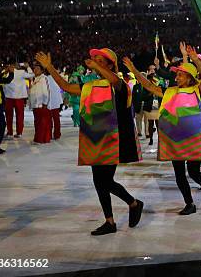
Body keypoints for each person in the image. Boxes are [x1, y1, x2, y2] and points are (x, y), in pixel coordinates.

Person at [35, 48, 144, 236]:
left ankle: (133, 203)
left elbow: (115, 81)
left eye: (101, 61)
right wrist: (49, 67)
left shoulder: (118, 84)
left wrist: (97, 67)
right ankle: (110, 221)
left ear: (111, 65)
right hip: (94, 139)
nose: (95, 63)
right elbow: (66, 87)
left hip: (113, 140)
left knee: (106, 181)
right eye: (94, 60)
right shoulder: (90, 86)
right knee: (99, 181)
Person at [123, 44, 201, 215]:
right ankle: (189, 203)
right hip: (174, 140)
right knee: (179, 173)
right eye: (177, 74)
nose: (177, 77)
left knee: (194, 172)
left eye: (181, 75)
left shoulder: (198, 90)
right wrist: (134, 70)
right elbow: (149, 86)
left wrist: (194, 59)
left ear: (189, 78)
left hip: (193, 139)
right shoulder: (169, 91)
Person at [3, 62, 34, 139]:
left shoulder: (5, 72)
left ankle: (10, 132)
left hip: (9, 97)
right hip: (19, 98)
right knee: (20, 116)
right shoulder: (21, 72)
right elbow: (32, 75)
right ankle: (19, 132)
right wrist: (28, 67)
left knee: (9, 116)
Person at [28, 63, 51, 144]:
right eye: (34, 68)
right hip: (36, 105)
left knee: (41, 123)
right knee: (37, 122)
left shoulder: (43, 78)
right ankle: (38, 138)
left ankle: (41, 139)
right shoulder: (35, 79)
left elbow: (45, 92)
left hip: (41, 104)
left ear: (42, 70)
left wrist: (45, 103)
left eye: (37, 68)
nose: (35, 70)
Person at [47, 73, 64, 140]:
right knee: (56, 119)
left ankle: (49, 134)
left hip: (49, 101)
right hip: (56, 101)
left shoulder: (46, 78)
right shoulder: (58, 77)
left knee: (49, 120)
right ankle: (57, 135)